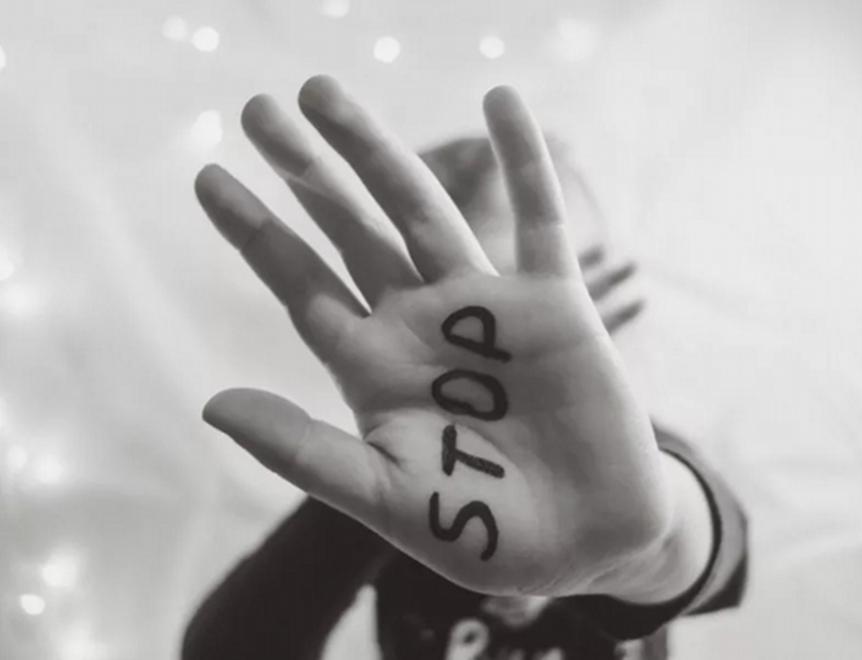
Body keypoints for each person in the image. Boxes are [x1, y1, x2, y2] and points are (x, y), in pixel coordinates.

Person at [182, 76, 747, 660]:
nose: (557, 324)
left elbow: (713, 544)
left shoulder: (637, 461)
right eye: (504, 289)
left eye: (578, 279)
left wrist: (648, 550)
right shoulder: (401, 492)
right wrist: (368, 491)